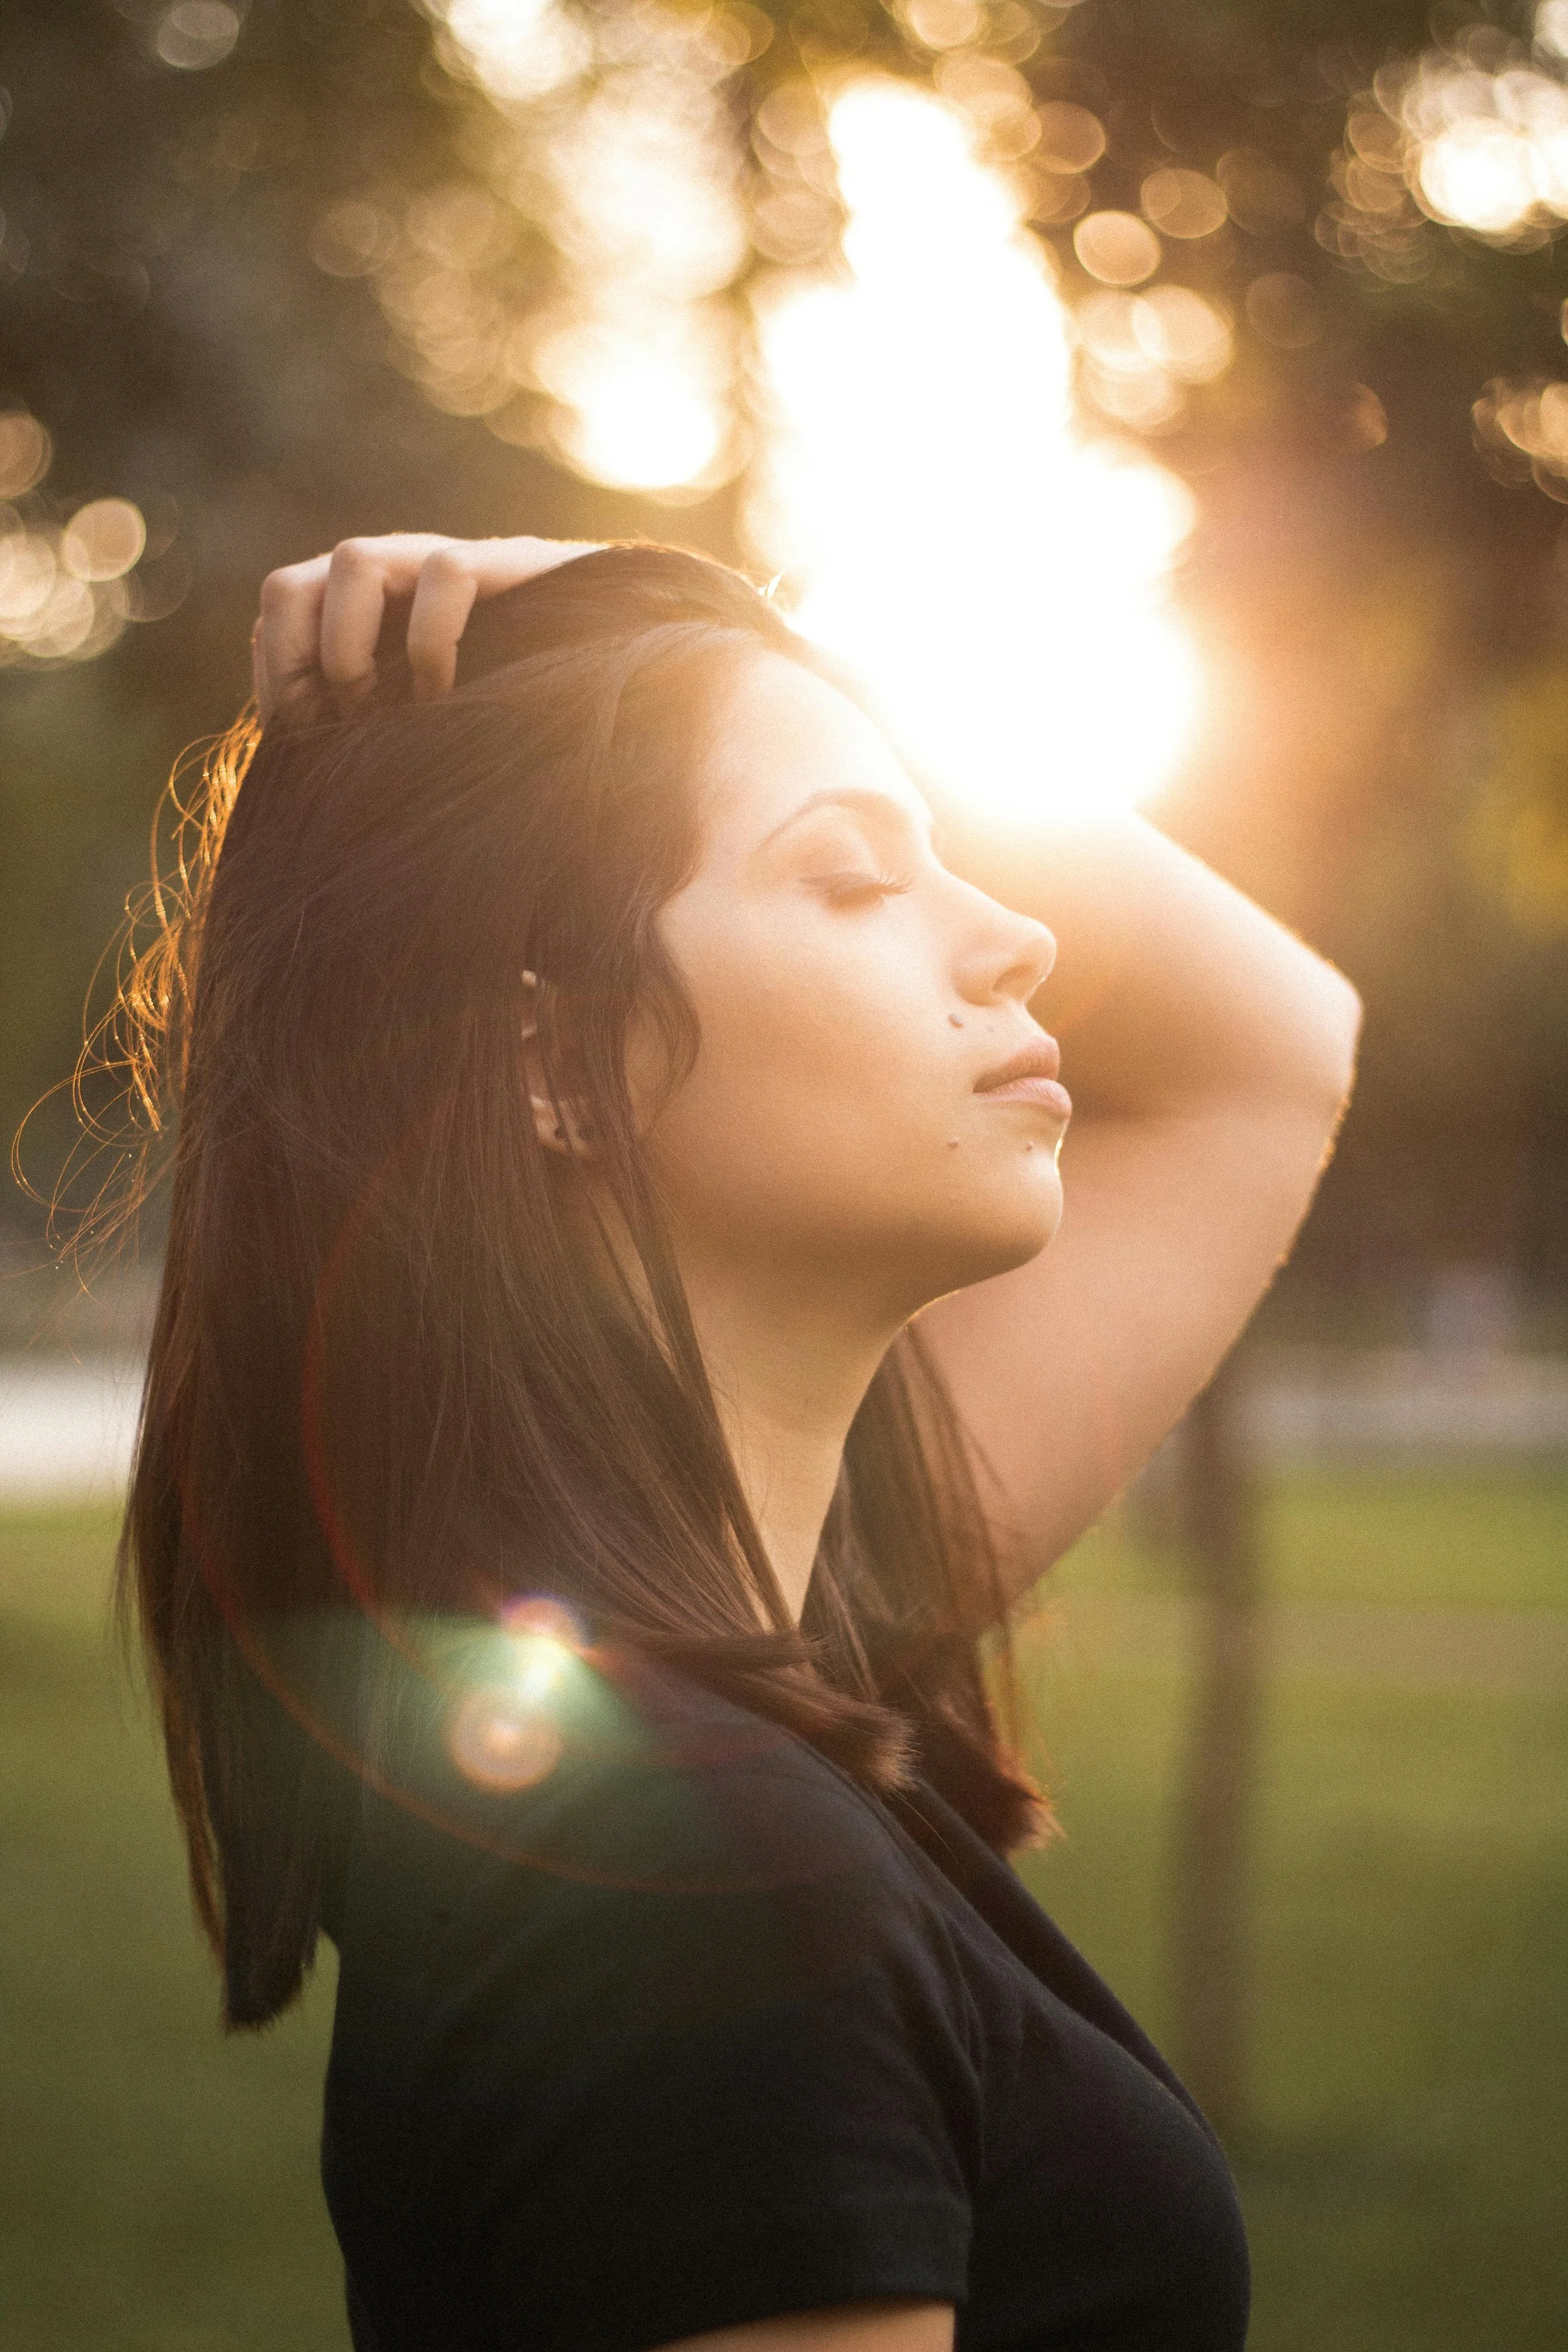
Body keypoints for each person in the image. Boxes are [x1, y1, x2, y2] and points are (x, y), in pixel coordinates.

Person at [112, 531, 1360, 2352]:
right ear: (549, 1064)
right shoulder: (686, 1866)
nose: (1021, 932)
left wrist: (664, 603)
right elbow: (1273, 1052)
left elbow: (1275, 1045)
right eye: (854, 877)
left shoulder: (758, 1661)